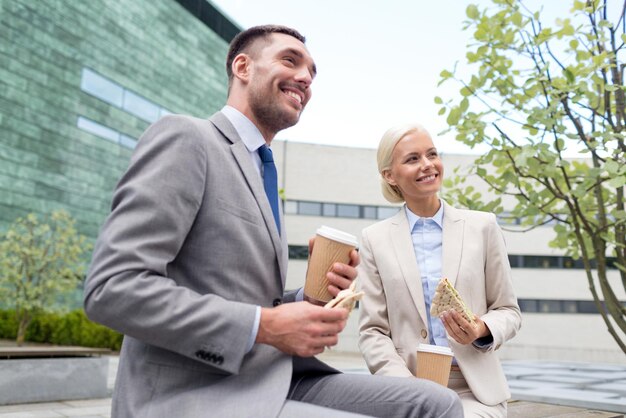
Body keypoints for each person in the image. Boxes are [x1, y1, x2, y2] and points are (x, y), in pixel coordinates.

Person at [83, 25, 462, 418]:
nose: (306, 78)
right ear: (243, 67)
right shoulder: (188, 139)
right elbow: (112, 289)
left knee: (438, 402)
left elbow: (250, 298)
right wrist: (265, 325)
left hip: (275, 375)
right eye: (290, 60)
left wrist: (308, 300)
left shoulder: (263, 168)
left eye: (313, 72)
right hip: (195, 392)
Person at [358, 123, 522, 417]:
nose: (428, 165)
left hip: (474, 391)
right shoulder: (374, 239)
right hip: (407, 388)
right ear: (389, 175)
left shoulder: (482, 226)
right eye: (412, 159)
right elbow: (373, 331)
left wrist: (480, 329)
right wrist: (406, 388)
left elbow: (508, 310)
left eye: (432, 154)